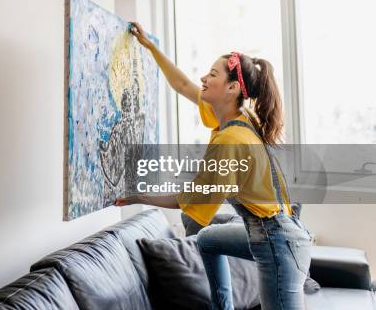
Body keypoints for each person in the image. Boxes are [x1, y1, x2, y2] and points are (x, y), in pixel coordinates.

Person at [115, 22, 314, 310]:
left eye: (212, 74)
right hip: (270, 231)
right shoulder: (238, 116)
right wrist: (150, 46)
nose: (203, 78)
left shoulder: (231, 139)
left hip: (280, 245)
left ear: (232, 88)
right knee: (207, 239)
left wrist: (138, 195)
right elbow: (182, 85)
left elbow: (187, 200)